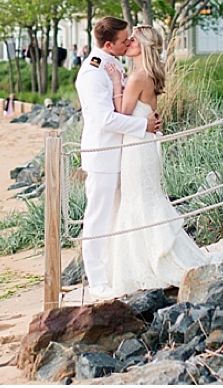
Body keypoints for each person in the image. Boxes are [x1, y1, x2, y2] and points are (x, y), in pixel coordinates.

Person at [102, 24, 223, 296]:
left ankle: (151, 263)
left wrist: (114, 81)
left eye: (133, 40)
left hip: (137, 147)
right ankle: (151, 257)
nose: (128, 42)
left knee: (139, 200)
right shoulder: (145, 75)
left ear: (142, 46)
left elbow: (121, 115)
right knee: (144, 199)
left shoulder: (138, 77)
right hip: (144, 144)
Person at [75, 16, 162, 301]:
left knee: (116, 217)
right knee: (98, 218)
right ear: (109, 44)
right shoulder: (92, 72)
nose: (128, 44)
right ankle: (97, 281)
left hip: (124, 154)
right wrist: (143, 125)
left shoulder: (113, 63)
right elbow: (106, 119)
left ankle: (116, 271)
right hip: (103, 155)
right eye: (124, 40)